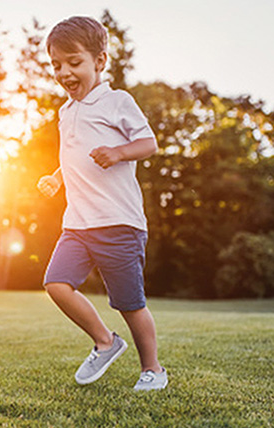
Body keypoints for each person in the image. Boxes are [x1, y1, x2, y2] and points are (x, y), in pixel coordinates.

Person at [37, 16, 167, 390]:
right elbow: (73, 156)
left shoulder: (116, 101)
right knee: (56, 284)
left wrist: (119, 151)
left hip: (118, 221)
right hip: (77, 222)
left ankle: (153, 370)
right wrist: (55, 178)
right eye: (56, 64)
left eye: (73, 62)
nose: (64, 72)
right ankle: (106, 342)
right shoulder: (65, 111)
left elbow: (149, 144)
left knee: (129, 303)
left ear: (100, 61)